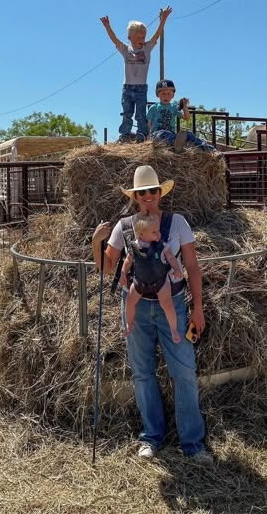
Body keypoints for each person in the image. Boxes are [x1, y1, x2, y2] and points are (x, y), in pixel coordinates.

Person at [92, 165, 213, 464]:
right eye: (142, 192)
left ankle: (193, 443)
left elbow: (192, 268)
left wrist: (198, 307)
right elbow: (107, 268)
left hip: (171, 301)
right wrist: (96, 242)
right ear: (134, 197)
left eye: (153, 191)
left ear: (160, 193)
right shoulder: (124, 227)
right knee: (142, 372)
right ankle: (151, 437)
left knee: (184, 371)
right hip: (136, 303)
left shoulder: (178, 223)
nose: (148, 196)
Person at [100, 7, 172, 143]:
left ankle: (141, 134)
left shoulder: (147, 48)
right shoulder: (126, 50)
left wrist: (163, 19)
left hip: (141, 88)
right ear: (129, 37)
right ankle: (125, 135)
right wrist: (107, 27)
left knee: (140, 114)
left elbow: (156, 35)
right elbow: (115, 40)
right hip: (127, 88)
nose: (142, 39)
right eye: (138, 37)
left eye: (143, 37)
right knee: (127, 113)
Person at [120, 213, 183, 343]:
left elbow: (171, 258)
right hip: (140, 281)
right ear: (141, 235)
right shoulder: (134, 247)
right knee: (130, 302)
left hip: (160, 280)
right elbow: (127, 262)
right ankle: (129, 323)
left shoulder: (161, 245)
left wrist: (177, 269)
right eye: (154, 232)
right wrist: (122, 273)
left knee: (167, 304)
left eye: (158, 230)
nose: (158, 234)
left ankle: (173, 329)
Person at [147, 79, 216, 153]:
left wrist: (184, 107)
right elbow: (148, 123)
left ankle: (211, 150)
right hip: (157, 133)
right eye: (163, 93)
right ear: (157, 94)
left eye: (169, 94)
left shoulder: (173, 107)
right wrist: (148, 137)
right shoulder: (154, 108)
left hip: (171, 133)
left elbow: (186, 118)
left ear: (173, 95)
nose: (166, 96)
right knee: (163, 134)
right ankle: (179, 145)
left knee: (189, 134)